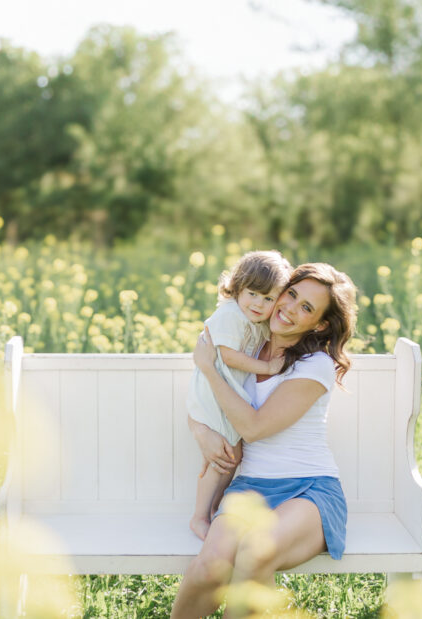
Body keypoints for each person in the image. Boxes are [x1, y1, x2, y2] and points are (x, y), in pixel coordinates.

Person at [172, 262, 358, 619]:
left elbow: (255, 427)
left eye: (306, 308)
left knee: (256, 553)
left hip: (309, 489)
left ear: (319, 324)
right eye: (291, 295)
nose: (289, 308)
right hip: (249, 488)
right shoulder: (248, 345)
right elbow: (204, 402)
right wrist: (201, 431)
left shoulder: (314, 365)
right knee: (207, 568)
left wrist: (210, 370)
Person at [187, 250, 292, 540]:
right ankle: (199, 516)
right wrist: (267, 366)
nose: (259, 304)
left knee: (232, 455)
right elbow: (229, 356)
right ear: (237, 288)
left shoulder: (252, 319)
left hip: (226, 393)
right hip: (212, 394)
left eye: (269, 299)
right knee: (221, 455)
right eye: (253, 294)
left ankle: (215, 508)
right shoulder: (231, 314)